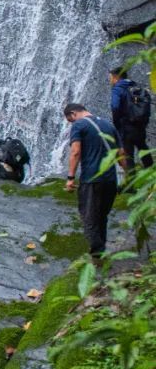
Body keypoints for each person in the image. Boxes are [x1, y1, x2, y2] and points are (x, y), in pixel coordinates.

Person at [63, 101, 125, 258]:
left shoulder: (79, 125)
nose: (72, 123)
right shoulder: (108, 125)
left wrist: (70, 177)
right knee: (101, 216)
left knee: (89, 217)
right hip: (110, 180)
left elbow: (75, 152)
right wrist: (130, 173)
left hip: (92, 179)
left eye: (70, 120)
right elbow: (121, 154)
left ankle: (97, 256)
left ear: (73, 114)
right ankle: (101, 248)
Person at [109, 64, 152, 171]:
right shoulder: (136, 87)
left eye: (111, 77)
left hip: (126, 127)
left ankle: (131, 184)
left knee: (128, 156)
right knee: (144, 150)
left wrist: (117, 124)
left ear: (116, 77)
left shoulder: (118, 89)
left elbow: (115, 106)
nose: (110, 80)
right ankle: (152, 176)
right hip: (139, 126)